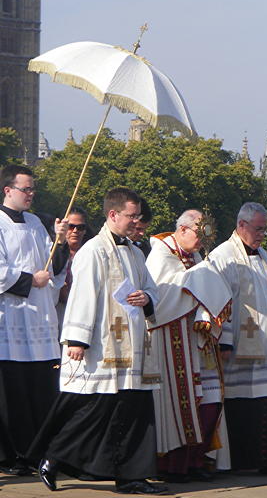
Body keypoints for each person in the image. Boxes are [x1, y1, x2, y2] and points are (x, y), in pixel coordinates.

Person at [28, 188, 167, 495]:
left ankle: (132, 475)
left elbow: (152, 289)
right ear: (113, 214)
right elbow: (82, 296)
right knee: (95, 409)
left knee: (135, 410)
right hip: (103, 345)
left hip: (134, 348)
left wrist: (147, 298)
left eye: (138, 217)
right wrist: (77, 339)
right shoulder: (94, 251)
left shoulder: (133, 250)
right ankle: (53, 457)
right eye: (132, 216)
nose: (136, 222)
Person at [147, 209, 231, 482]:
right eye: (199, 233)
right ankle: (172, 465)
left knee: (206, 401)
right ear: (182, 230)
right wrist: (199, 282)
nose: (203, 241)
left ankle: (194, 460)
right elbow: (160, 297)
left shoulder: (194, 256)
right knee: (178, 405)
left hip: (194, 341)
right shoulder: (161, 255)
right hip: (168, 340)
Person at [208, 202, 267, 472]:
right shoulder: (223, 256)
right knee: (241, 403)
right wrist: (226, 340)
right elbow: (220, 301)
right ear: (241, 225)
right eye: (258, 229)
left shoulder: (262, 254)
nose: (262, 234)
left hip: (265, 343)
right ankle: (244, 460)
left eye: (264, 229)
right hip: (240, 346)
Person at [0, 164, 69, 475]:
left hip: (38, 323)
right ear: (8, 190)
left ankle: (37, 452)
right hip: (10, 320)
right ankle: (12, 455)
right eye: (26, 189)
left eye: (32, 189)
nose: (31, 194)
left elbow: (53, 267)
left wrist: (61, 241)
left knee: (39, 390)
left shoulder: (37, 223)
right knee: (11, 392)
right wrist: (29, 280)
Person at [56, 206, 91, 332]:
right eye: (71, 226)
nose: (75, 231)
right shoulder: (51, 252)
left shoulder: (91, 253)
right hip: (57, 313)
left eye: (80, 227)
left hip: (84, 313)